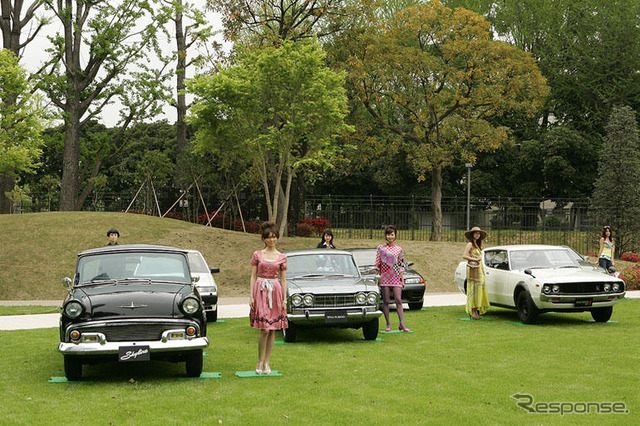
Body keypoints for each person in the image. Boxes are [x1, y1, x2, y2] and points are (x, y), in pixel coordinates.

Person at [249, 222, 288, 375]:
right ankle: (259, 359)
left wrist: (284, 299)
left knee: (273, 329)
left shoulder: (282, 257)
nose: (272, 240)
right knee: (265, 329)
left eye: (274, 237)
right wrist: (251, 295)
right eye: (269, 237)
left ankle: (267, 361)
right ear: (264, 239)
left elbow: (283, 279)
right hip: (261, 290)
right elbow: (253, 276)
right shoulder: (257, 254)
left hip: (275, 291)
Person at [375, 225, 409, 332]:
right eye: (388, 234)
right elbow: (377, 263)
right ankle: (388, 324)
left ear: (395, 236)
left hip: (395, 277)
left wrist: (401, 279)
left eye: (392, 234)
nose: (390, 236)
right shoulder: (381, 248)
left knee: (398, 300)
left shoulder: (399, 249)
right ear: (386, 236)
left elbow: (401, 265)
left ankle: (402, 324)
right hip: (384, 277)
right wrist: (377, 277)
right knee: (386, 301)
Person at [462, 226, 490, 320]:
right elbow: (464, 255)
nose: (477, 235)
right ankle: (473, 311)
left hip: (479, 269)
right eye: (476, 233)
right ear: (472, 234)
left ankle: (477, 310)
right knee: (474, 290)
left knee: (479, 289)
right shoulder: (470, 244)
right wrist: (474, 259)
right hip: (473, 269)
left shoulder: (478, 245)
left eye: (479, 233)